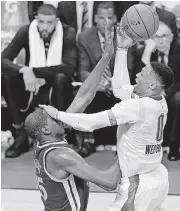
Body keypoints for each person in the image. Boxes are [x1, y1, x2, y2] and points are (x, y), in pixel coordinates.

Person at [41, 26, 174, 210]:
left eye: (142, 74)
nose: (137, 75)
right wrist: (121, 50)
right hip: (159, 175)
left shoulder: (136, 107)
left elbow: (90, 123)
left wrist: (59, 115)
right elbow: (120, 88)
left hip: (138, 184)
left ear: (152, 85)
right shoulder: (158, 101)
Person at [25, 24, 121, 211]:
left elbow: (83, 97)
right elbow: (110, 182)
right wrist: (127, 148)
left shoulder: (44, 141)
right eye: (53, 117)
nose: (58, 115)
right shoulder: (61, 156)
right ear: (46, 129)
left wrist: (105, 58)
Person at [1, 4, 77, 158]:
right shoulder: (26, 30)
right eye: (41, 22)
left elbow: (69, 67)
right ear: (36, 19)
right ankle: (20, 132)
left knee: (62, 78)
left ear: (57, 21)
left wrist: (34, 71)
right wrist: (23, 70)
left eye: (50, 23)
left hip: (56, 85)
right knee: (7, 77)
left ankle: (64, 133)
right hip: (32, 85)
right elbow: (3, 59)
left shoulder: (68, 32)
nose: (45, 27)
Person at [135, 21, 180, 161]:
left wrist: (164, 89)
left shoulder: (178, 50)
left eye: (164, 36)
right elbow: (139, 77)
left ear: (172, 37)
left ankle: (174, 145)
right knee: (138, 100)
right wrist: (147, 56)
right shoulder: (146, 53)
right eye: (156, 37)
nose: (160, 40)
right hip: (153, 92)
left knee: (179, 99)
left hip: (174, 91)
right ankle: (140, 147)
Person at [76, 1, 118, 150]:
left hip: (118, 83)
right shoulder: (85, 38)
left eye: (109, 18)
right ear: (95, 18)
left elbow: (130, 68)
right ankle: (87, 141)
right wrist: (100, 82)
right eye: (101, 18)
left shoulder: (123, 36)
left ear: (114, 19)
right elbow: (83, 70)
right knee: (86, 92)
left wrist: (114, 82)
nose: (105, 22)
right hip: (97, 85)